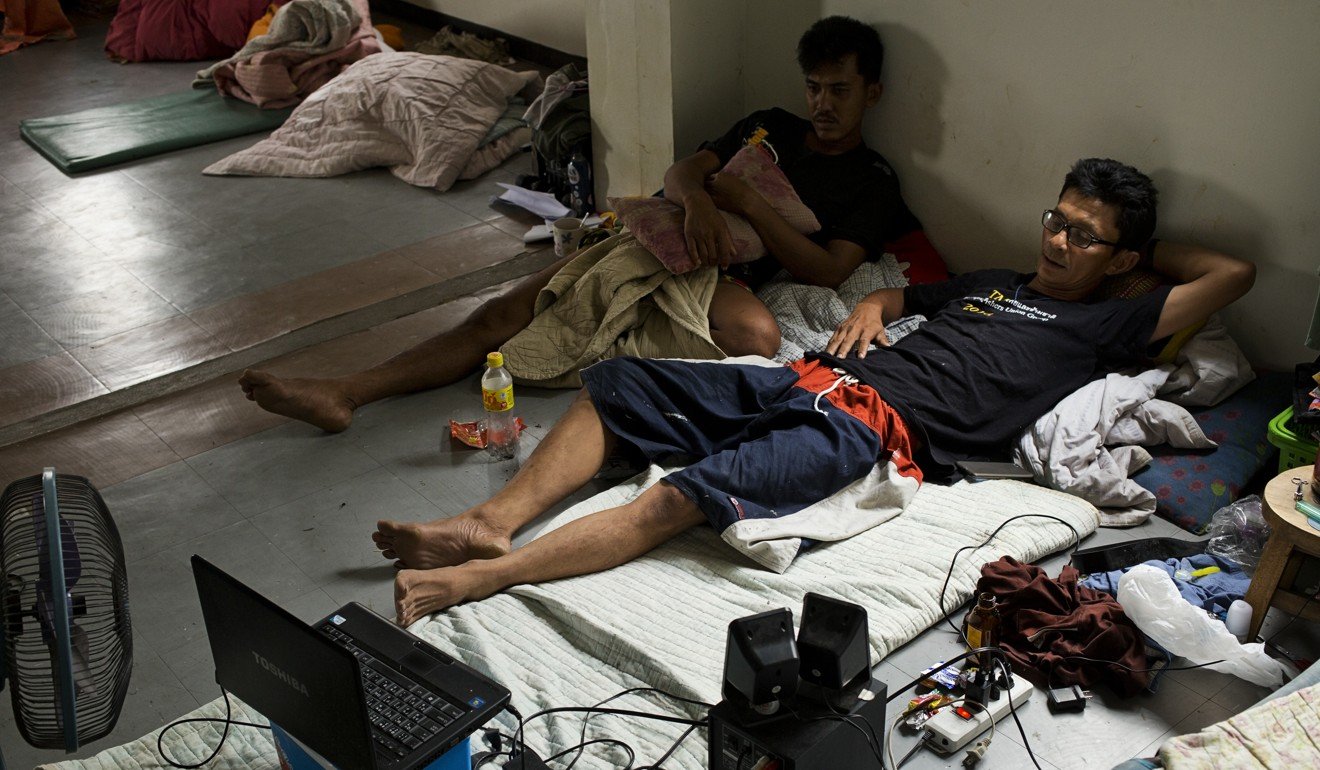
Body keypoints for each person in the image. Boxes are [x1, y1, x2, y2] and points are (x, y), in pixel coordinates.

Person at [380, 157, 1256, 625]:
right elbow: (904, 293)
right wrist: (874, 302)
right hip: (809, 379)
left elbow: (1234, 271)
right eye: (1056, 220)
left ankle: (484, 580)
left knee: (683, 499)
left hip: (868, 432)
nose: (1060, 242)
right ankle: (486, 524)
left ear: (1123, 258)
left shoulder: (1104, 322)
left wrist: (1134, 258)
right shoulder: (996, 282)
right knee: (614, 385)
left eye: (1085, 236)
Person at [237, 15, 940, 433]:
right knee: (508, 313)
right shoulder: (771, 124)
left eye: (839, 90)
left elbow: (828, 271)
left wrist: (749, 208)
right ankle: (348, 391)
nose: (822, 104)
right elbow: (682, 173)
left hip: (725, 272)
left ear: (871, 93)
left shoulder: (870, 180)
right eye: (814, 87)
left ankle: (607, 370)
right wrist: (697, 201)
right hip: (666, 234)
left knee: (754, 335)